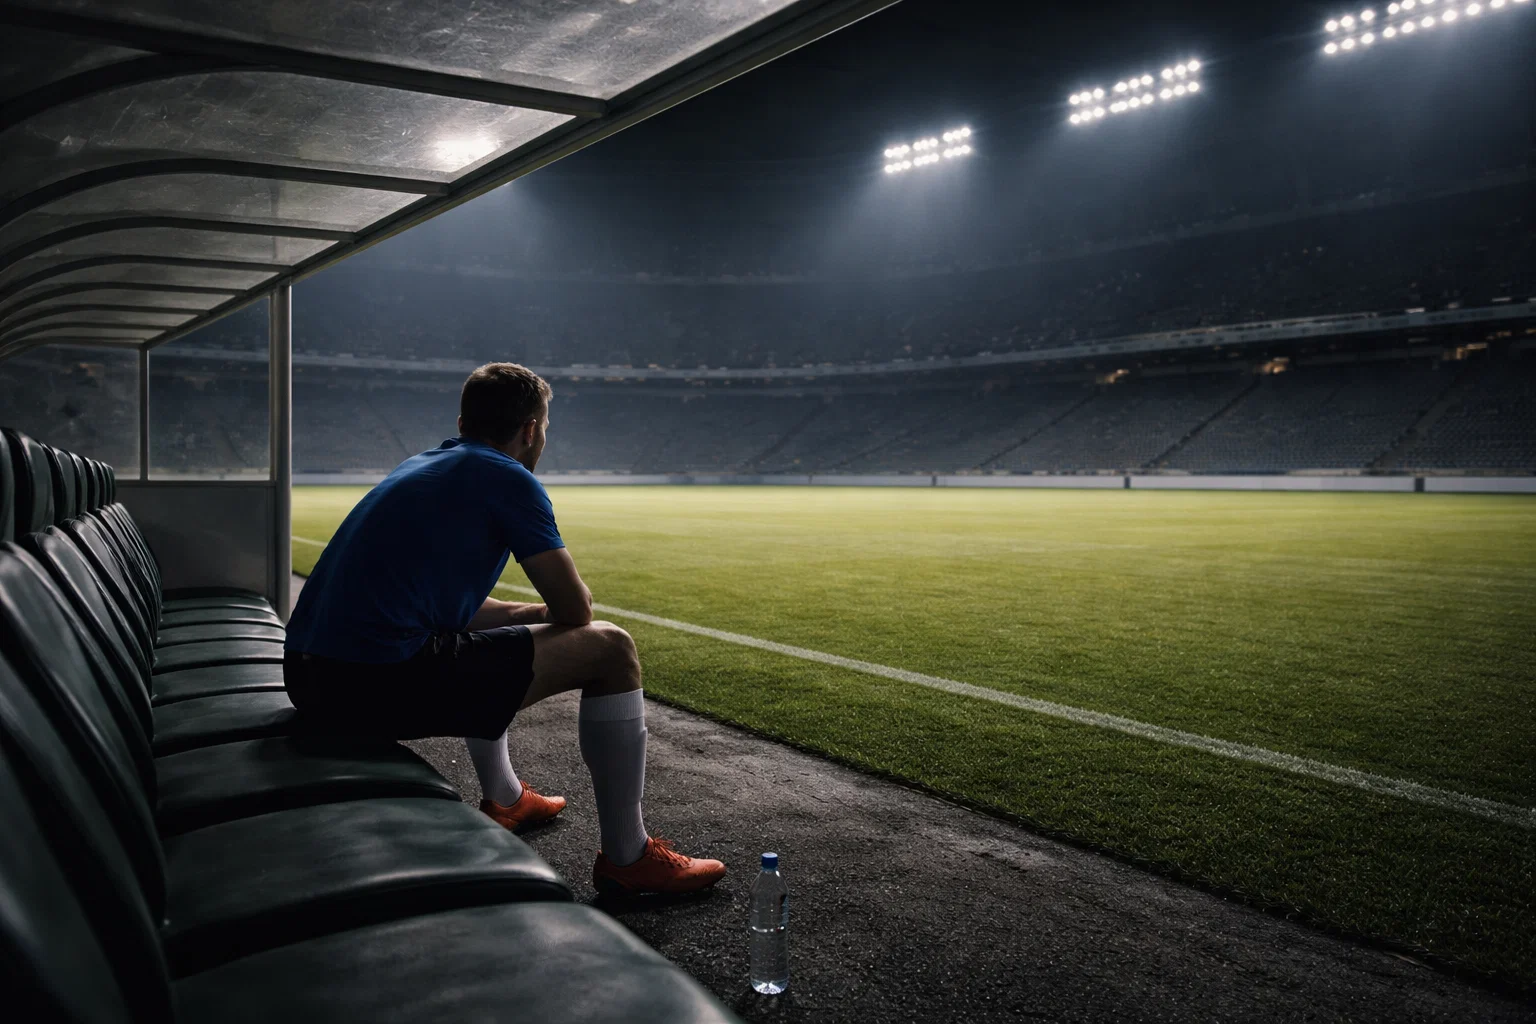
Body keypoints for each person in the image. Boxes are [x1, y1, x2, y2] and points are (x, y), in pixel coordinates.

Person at [283, 362, 725, 896]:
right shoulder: (507, 477)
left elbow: (454, 612)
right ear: (531, 430)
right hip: (373, 682)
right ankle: (629, 859)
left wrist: (528, 615)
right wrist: (553, 613)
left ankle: (508, 798)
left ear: (462, 422)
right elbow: (577, 611)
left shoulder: (421, 465)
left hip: (310, 678)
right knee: (612, 649)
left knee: (482, 646)